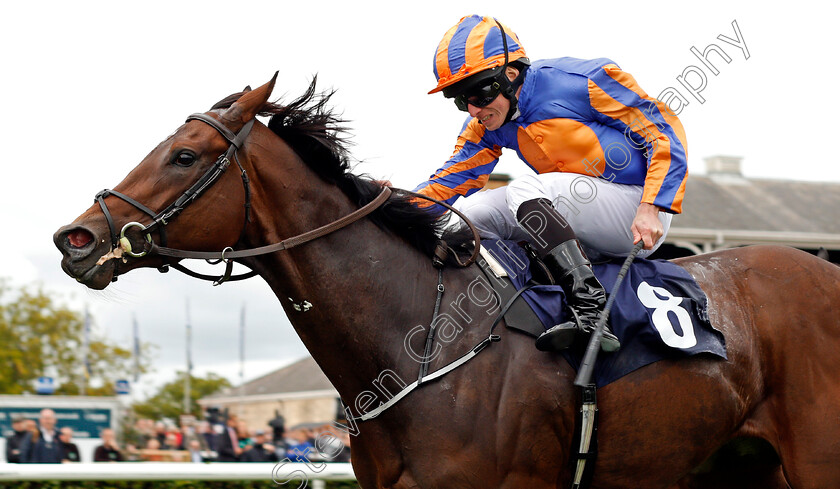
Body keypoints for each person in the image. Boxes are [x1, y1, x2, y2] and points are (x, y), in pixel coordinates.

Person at [415, 15, 688, 353]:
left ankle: (591, 312)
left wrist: (651, 206)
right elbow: (451, 180)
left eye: (480, 93)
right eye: (460, 99)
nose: (473, 110)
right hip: (572, 214)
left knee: (523, 189)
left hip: (636, 212)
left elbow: (663, 131)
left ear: (510, 75)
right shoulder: (486, 123)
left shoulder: (583, 80)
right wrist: (387, 206)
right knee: (465, 216)